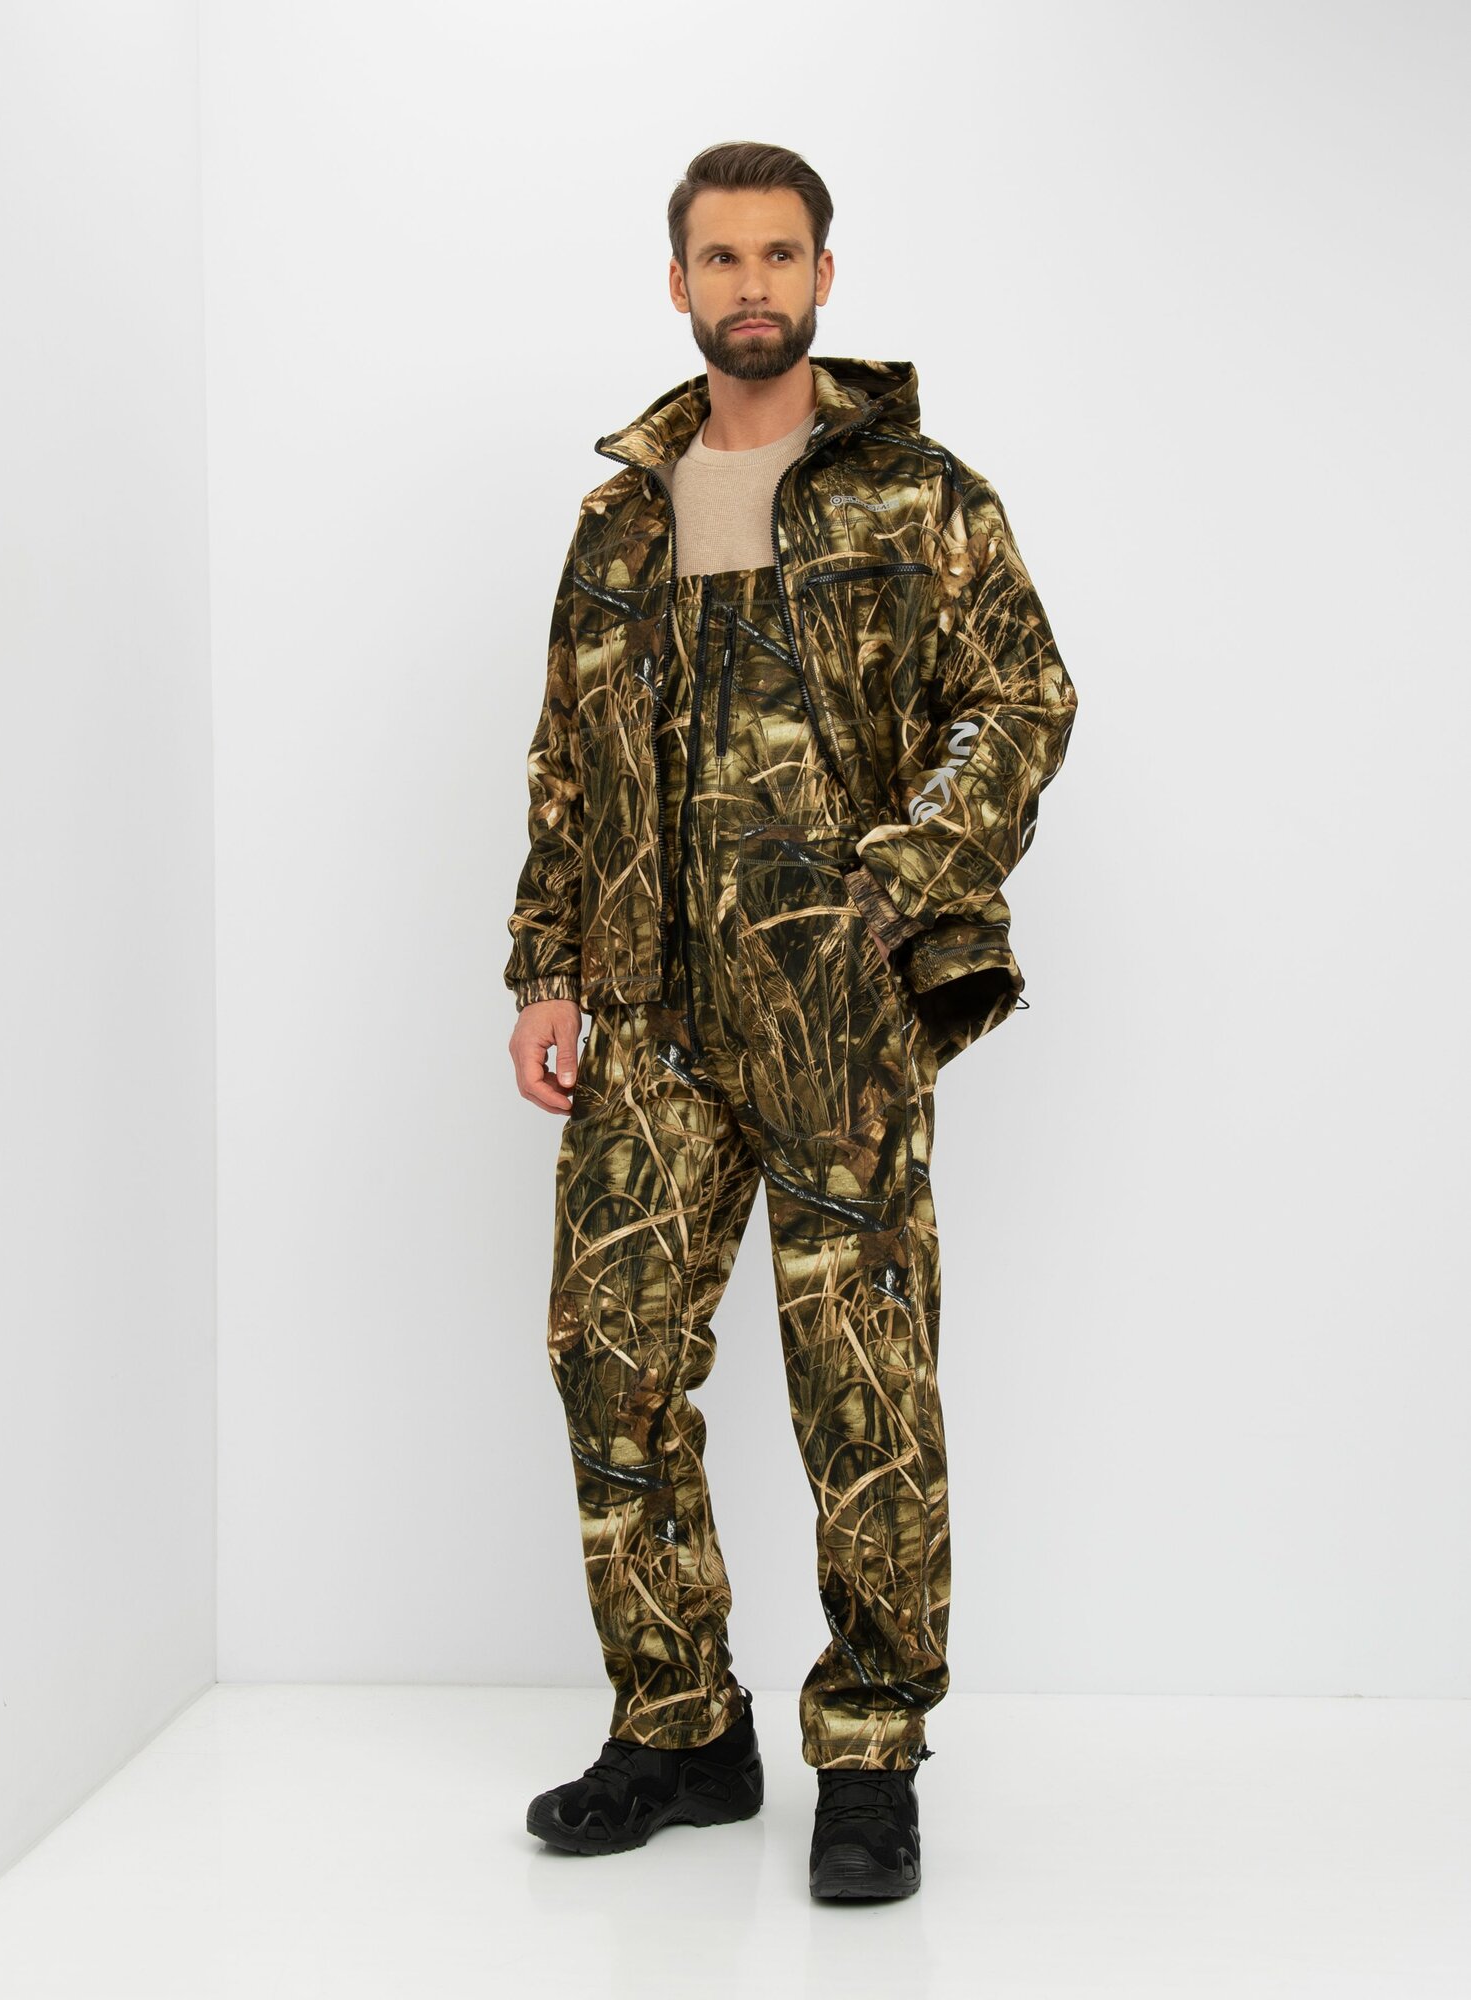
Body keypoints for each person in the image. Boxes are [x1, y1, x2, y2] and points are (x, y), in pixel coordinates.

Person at [503, 140, 1078, 1901]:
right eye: (719, 257)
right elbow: (566, 759)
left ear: (823, 276)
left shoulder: (919, 495)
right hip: (644, 1014)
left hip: (834, 1016)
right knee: (610, 1359)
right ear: (677, 284)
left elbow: (1023, 700)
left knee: (861, 1386)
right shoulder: (617, 520)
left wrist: (895, 889)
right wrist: (545, 967)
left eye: (778, 254)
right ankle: (680, 1725)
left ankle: (871, 1752)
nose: (749, 284)